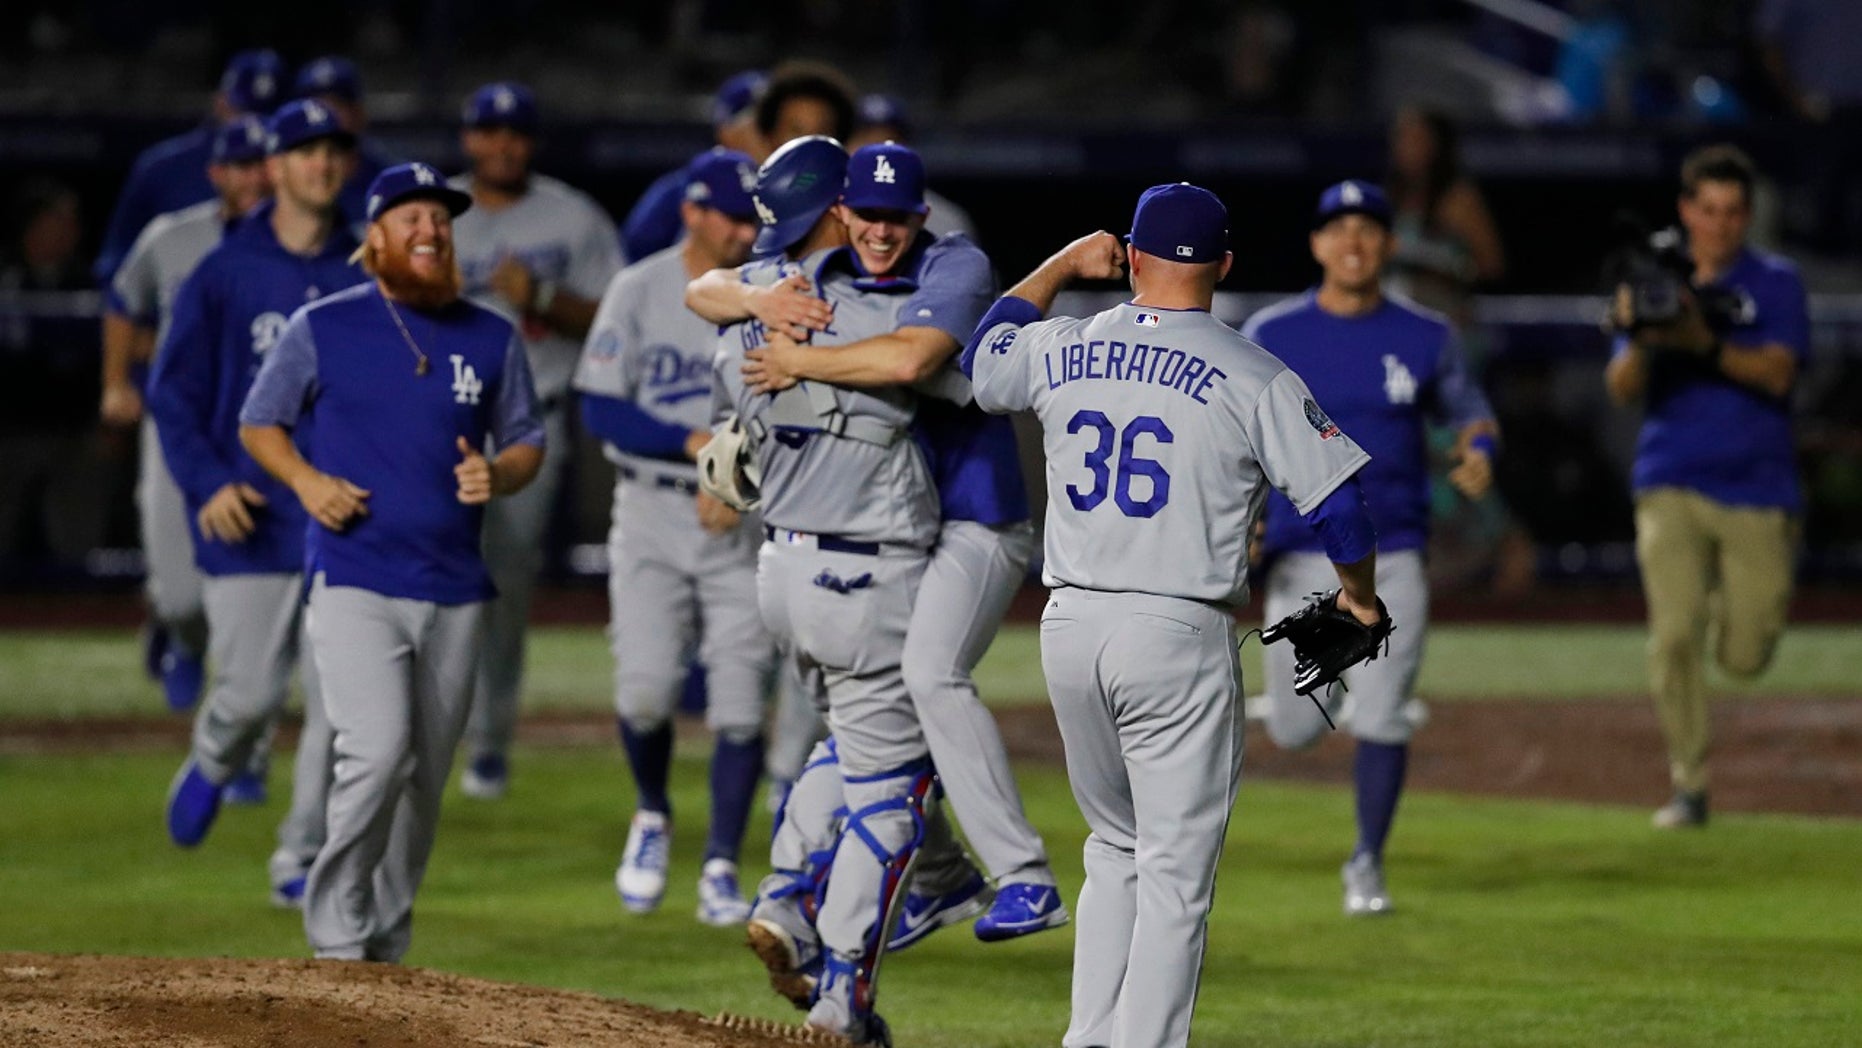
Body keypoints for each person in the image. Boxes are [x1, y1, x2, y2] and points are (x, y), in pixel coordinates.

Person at [963, 184, 1384, 1048]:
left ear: (1132, 254)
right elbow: (1342, 510)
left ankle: (1089, 1038)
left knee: (1113, 845)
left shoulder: (1064, 344)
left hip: (1070, 627)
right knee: (1176, 873)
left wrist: (1058, 267)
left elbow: (981, 356)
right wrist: (1361, 597)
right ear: (1224, 266)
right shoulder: (1252, 370)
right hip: (1175, 632)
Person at [702, 142, 1065, 942]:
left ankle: (1025, 878)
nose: (881, 230)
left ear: (919, 218)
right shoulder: (827, 283)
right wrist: (756, 305)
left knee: (929, 677)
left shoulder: (952, 267)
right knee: (875, 727)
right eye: (867, 213)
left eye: (897, 216)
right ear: (842, 212)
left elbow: (910, 360)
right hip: (903, 531)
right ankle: (936, 877)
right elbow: (706, 286)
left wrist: (797, 357)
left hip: (976, 515)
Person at [700, 135, 979, 1044]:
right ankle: (841, 998)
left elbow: (706, 293)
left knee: (847, 750)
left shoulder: (749, 305)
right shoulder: (855, 312)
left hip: (781, 568)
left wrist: (747, 295)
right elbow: (909, 359)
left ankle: (784, 895)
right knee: (896, 787)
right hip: (872, 569)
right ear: (841, 212)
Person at [238, 162, 545, 962]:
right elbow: (260, 421)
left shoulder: (490, 335)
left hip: (456, 586)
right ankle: (337, 937)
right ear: (374, 237)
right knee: (376, 752)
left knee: (423, 781)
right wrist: (305, 481)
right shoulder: (324, 326)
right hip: (355, 576)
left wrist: (500, 472)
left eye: (440, 220)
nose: (429, 230)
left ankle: (386, 939)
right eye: (409, 217)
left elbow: (526, 439)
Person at [1242, 180, 1498, 916]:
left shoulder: (1424, 334)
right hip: (1301, 556)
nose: (1353, 243)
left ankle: (1366, 864)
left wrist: (1479, 447)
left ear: (1387, 244)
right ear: (1318, 244)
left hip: (1394, 557)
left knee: (1382, 715)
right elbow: (1236, 435)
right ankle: (1343, 689)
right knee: (1293, 729)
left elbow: (1471, 412)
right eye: (1338, 229)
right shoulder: (1273, 333)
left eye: (1368, 229)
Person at [149, 99, 361, 909]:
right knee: (247, 697)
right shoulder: (224, 270)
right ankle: (212, 755)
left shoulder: (361, 268)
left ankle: (301, 856)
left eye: (333, 150)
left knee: (337, 702)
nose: (322, 163)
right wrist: (206, 482)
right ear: (273, 168)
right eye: (304, 151)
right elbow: (175, 393)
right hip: (249, 514)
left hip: (342, 517)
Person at [573, 147, 769, 925]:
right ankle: (651, 813)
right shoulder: (641, 285)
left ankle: (721, 862)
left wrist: (735, 472)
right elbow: (600, 408)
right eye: (730, 214)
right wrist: (697, 448)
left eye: (753, 216)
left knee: (741, 705)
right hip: (652, 510)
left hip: (741, 512)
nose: (743, 230)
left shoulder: (770, 292)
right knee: (646, 692)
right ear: (692, 211)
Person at [1603, 144, 1808, 829]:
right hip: (1671, 477)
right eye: (1706, 210)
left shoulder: (1777, 282)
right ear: (1686, 211)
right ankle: (1689, 784)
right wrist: (1641, 335)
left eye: (1731, 212)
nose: (1717, 224)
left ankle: (1728, 604)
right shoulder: (1655, 278)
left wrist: (1703, 343)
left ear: (1747, 217)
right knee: (1673, 632)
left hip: (1759, 485)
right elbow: (1621, 387)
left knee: (1746, 655)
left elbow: (1779, 374)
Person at [448, 81, 624, 800]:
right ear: (468, 139)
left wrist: (543, 297)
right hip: (439, 422)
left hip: (530, 417)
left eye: (515, 132)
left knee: (503, 586)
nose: (502, 144)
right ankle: (425, 727)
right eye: (489, 132)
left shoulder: (570, 216)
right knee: (435, 584)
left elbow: (618, 320)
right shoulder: (433, 212)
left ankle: (488, 740)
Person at [102, 114, 269, 716]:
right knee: (178, 596)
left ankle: (243, 735)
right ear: (215, 173)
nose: (252, 177)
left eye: (261, 164)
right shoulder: (171, 237)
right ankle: (184, 640)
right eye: (240, 166)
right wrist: (115, 381)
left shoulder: (303, 244)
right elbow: (123, 301)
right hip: (180, 424)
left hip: (263, 433)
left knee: (263, 587)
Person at [93, 49, 286, 284]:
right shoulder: (161, 169)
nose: (253, 128)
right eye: (243, 113)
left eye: (268, 117)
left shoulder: (298, 170)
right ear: (220, 103)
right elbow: (114, 263)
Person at [619, 70, 767, 263]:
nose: (768, 135)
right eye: (760, 125)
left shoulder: (789, 190)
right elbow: (635, 261)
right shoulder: (678, 192)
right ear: (726, 131)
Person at [847, 94, 978, 242]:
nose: (880, 154)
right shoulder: (825, 212)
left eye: (890, 141)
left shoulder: (945, 221)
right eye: (866, 141)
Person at [291, 55, 396, 224]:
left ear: (359, 113)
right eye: (315, 110)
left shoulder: (392, 182)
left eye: (336, 106)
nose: (324, 120)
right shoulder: (284, 183)